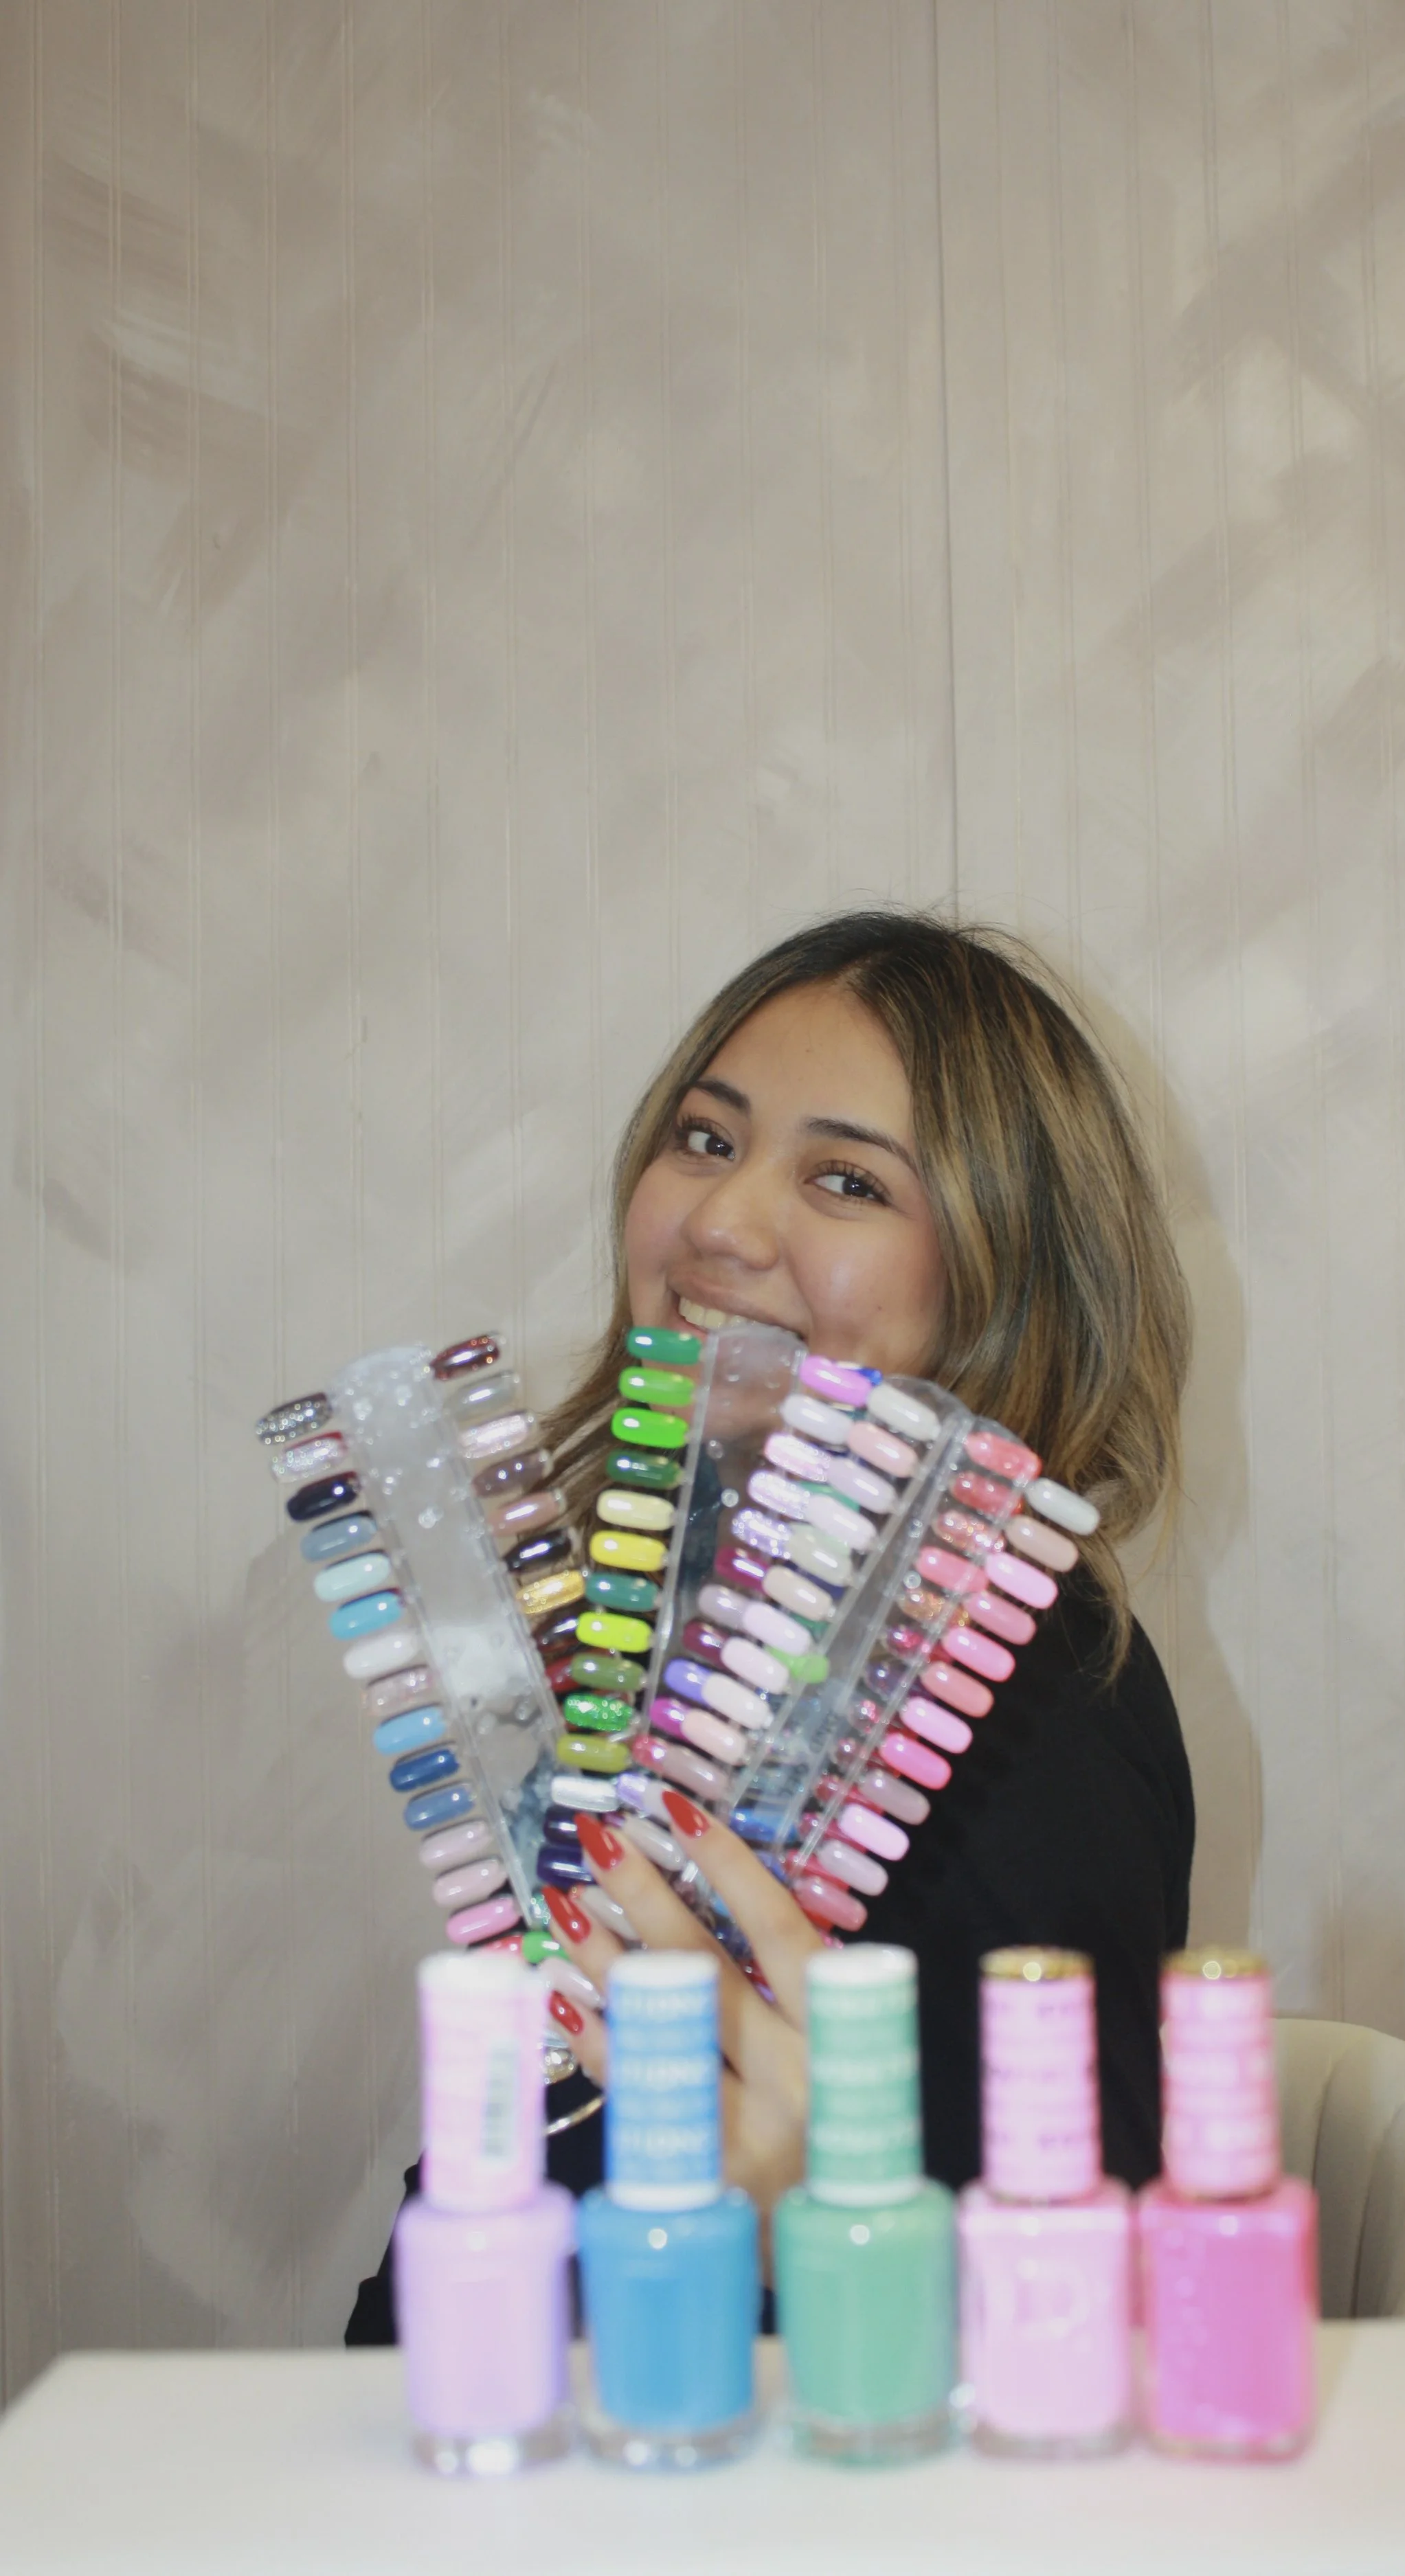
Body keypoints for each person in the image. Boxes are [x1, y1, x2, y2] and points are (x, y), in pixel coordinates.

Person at [346, 909, 1193, 2342]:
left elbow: (1082, 2333)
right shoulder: (670, 1636)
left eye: (847, 1180)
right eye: (706, 1138)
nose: (722, 1224)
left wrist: (818, 2218)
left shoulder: (1025, 1704)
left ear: (1002, 1280)